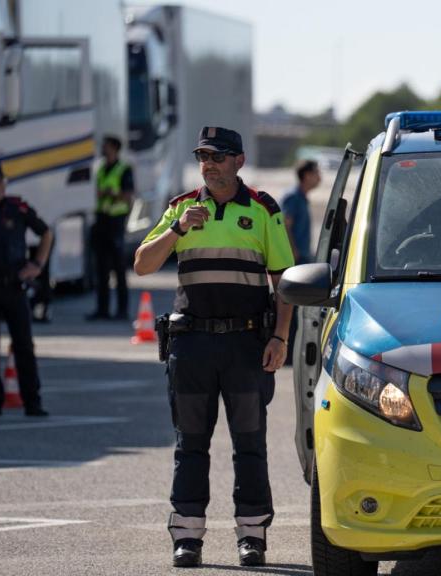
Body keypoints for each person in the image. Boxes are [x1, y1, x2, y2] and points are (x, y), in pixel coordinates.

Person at [134, 126, 294, 568]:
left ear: (239, 161)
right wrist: (177, 232)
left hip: (246, 345)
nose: (210, 164)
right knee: (190, 445)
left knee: (250, 445)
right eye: (203, 156)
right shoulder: (181, 208)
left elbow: (284, 284)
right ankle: (187, 538)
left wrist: (280, 338)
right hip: (192, 347)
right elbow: (143, 264)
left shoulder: (263, 210)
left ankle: (252, 537)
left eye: (218, 156)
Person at [0, 161, 52, 417]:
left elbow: (46, 233)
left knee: (24, 346)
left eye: (2, 181)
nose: (0, 185)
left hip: (14, 286)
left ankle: (32, 402)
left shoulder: (17, 208)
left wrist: (37, 264)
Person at [88, 135, 134, 320]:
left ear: (115, 148)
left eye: (106, 145)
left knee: (119, 268)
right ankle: (102, 309)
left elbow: (128, 196)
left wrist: (111, 193)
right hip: (101, 220)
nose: (103, 148)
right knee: (101, 269)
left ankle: (122, 311)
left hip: (116, 221)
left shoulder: (124, 169)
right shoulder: (100, 169)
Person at [279, 160, 320, 364]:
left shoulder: (302, 198)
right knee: (291, 307)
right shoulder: (292, 197)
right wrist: (292, 252)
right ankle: (287, 351)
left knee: (298, 309)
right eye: (316, 173)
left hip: (303, 258)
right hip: (294, 259)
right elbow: (285, 225)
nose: (319, 177)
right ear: (307, 175)